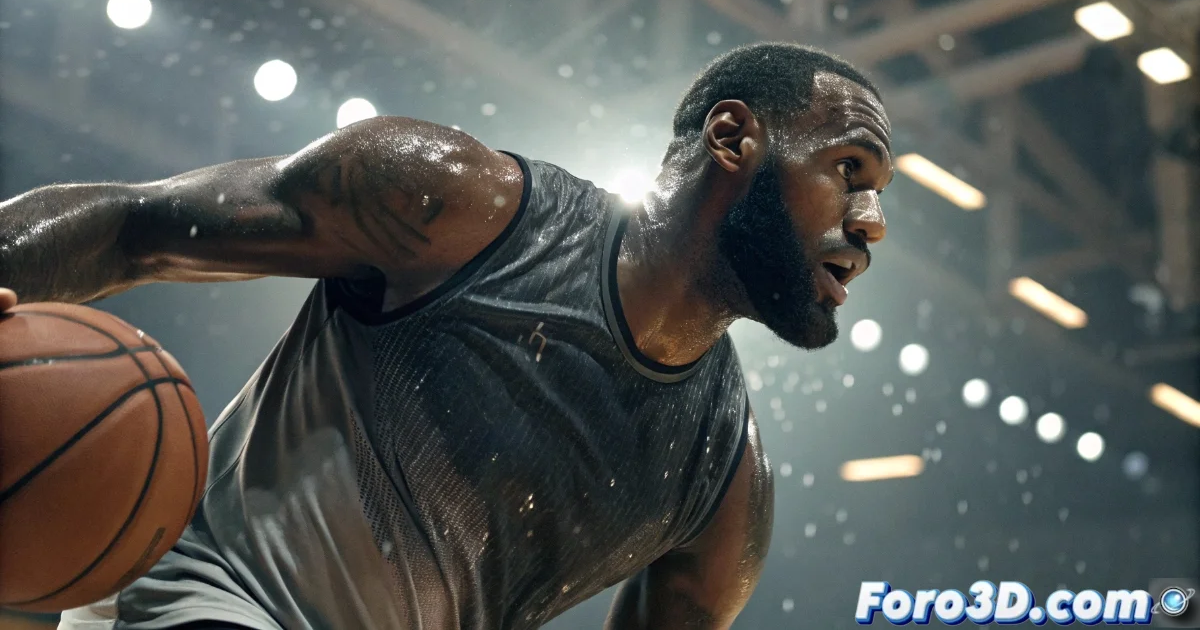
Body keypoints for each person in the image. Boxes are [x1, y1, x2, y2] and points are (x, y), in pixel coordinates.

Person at [0, 42, 891, 630]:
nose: (873, 221)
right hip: (209, 594)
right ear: (731, 137)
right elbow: (136, 223)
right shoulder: (460, 206)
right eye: (849, 169)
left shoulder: (726, 484)